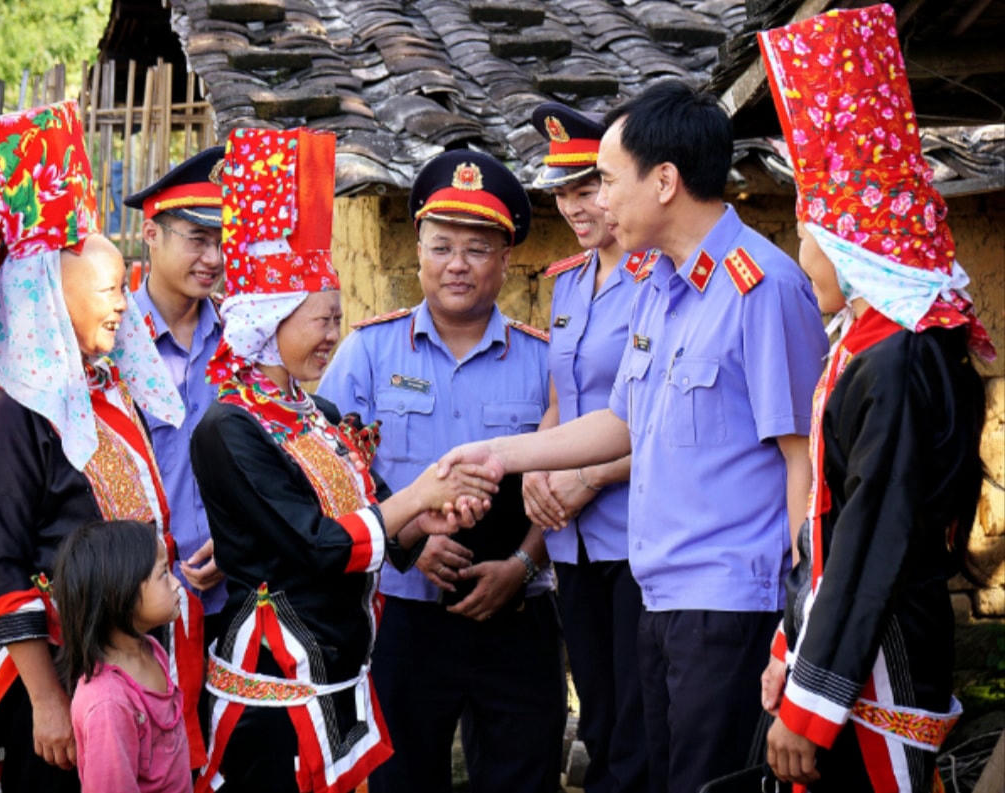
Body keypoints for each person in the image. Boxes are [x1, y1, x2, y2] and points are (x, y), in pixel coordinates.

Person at [437, 80, 830, 793]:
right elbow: (621, 421)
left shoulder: (762, 288)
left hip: (730, 606)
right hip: (659, 595)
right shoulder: (663, 286)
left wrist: (802, 635)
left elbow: (803, 464)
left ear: (666, 182)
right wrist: (498, 457)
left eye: (610, 181)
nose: (601, 201)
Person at [189, 127, 500, 793]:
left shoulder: (320, 416)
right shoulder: (229, 426)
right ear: (270, 321)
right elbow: (321, 545)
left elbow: (382, 516)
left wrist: (440, 510)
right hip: (273, 688)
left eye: (337, 316)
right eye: (321, 318)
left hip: (336, 673)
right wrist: (419, 497)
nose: (335, 333)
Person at [757, 6, 995, 789]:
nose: (800, 251)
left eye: (808, 230)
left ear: (855, 240)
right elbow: (830, 533)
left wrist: (811, 699)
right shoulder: (868, 345)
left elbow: (871, 539)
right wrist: (791, 650)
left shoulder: (895, 360)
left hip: (879, 655)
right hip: (854, 636)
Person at [0, 100, 194, 793]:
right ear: (49, 298)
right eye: (111, 288)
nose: (125, 303)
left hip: (118, 659)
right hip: (61, 677)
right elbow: (3, 574)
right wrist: (50, 702)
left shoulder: (101, 392)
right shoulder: (10, 418)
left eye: (126, 286)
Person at [318, 149, 566, 793]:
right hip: (404, 615)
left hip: (517, 608)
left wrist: (525, 565)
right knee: (402, 779)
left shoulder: (546, 362)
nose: (457, 264)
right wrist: (409, 544)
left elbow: (568, 481)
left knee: (522, 778)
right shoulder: (368, 353)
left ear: (506, 260)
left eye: (477, 248)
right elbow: (337, 472)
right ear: (420, 252)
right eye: (442, 246)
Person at [521, 100, 650, 793]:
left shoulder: (658, 279)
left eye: (588, 186)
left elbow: (657, 417)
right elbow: (558, 401)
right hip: (570, 536)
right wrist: (538, 472)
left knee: (634, 714)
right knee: (596, 707)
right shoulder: (568, 283)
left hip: (635, 529)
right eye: (563, 191)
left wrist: (589, 478)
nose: (575, 205)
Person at [124, 147, 228, 638]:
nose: (214, 259)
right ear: (151, 234)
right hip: (134, 601)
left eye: (222, 241)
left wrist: (235, 544)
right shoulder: (113, 342)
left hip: (232, 591)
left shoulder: (240, 340)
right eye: (197, 240)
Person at [55, 520, 192, 793]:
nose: (177, 583)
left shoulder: (152, 650)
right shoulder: (108, 704)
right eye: (164, 573)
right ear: (122, 591)